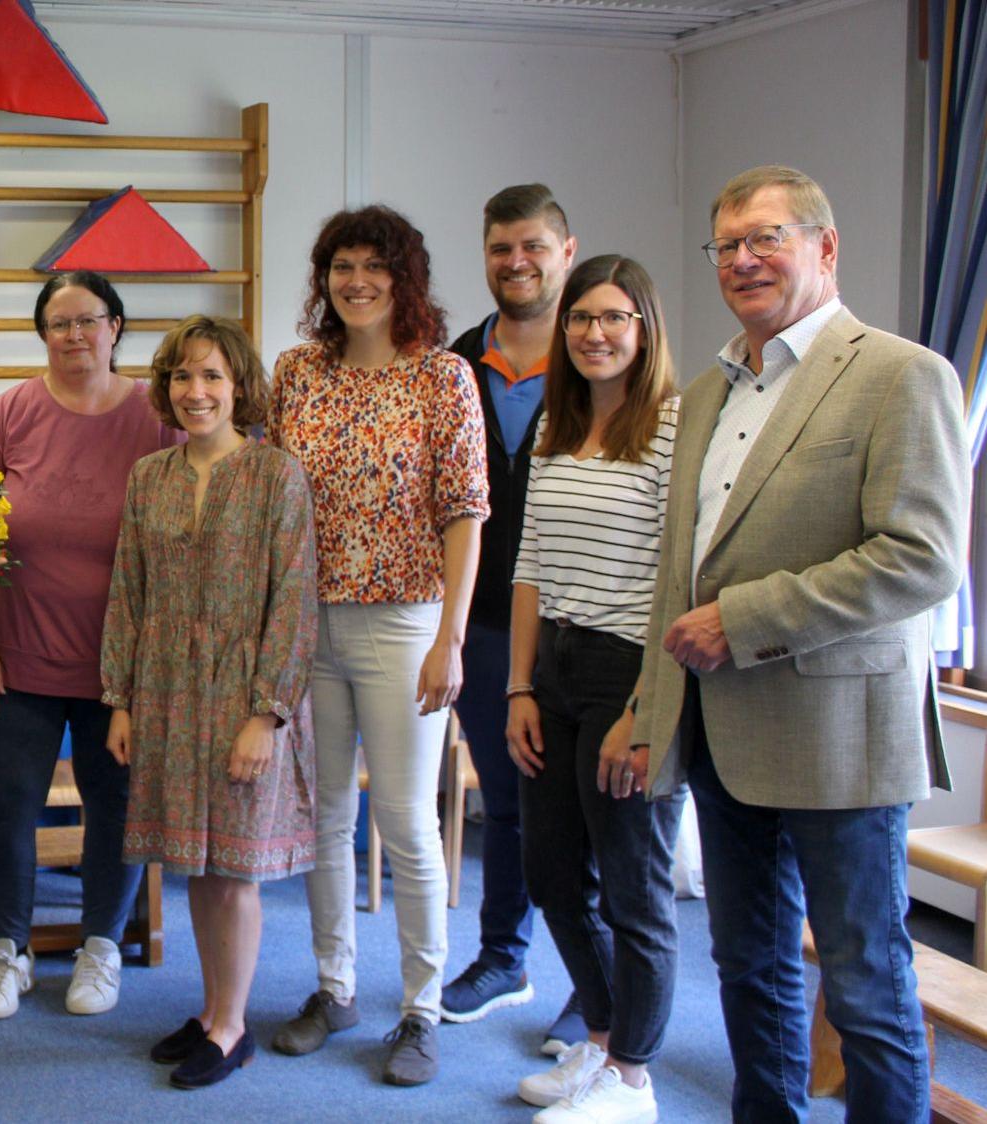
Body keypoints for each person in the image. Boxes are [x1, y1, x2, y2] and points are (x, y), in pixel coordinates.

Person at [628, 165, 967, 1123]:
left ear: (824, 247)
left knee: (861, 984)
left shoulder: (903, 375)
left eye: (764, 238)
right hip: (722, 735)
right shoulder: (704, 391)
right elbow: (677, 569)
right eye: (726, 245)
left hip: (840, 738)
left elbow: (920, 557)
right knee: (747, 969)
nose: (742, 260)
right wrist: (653, 713)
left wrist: (745, 620)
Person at [267, 205, 489, 1087]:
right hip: (310, 623)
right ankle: (334, 989)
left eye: (374, 266)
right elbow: (273, 501)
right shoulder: (297, 374)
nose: (356, 281)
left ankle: (419, 1010)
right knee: (322, 819)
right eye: (340, 265)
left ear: (405, 279)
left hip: (406, 623)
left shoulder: (442, 379)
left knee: (403, 822)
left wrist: (451, 639)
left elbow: (464, 513)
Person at [102, 314, 317, 1090]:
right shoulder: (148, 476)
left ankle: (233, 1027)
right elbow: (128, 592)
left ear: (238, 388)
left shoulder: (275, 476)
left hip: (241, 695)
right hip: (164, 688)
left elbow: (292, 603)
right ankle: (208, 1009)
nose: (196, 392)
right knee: (194, 864)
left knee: (234, 870)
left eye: (212, 377)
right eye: (183, 377)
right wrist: (120, 698)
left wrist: (266, 713)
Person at [0, 271, 177, 1021]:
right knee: (8, 803)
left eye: (87, 321)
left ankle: (100, 946)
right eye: (57, 324)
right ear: (42, 335)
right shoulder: (10, 412)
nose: (73, 336)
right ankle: (9, 951)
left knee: (115, 806)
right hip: (18, 658)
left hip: (117, 669)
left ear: (115, 327)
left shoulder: (158, 415)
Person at [503, 255, 682, 1124]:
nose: (594, 334)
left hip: (630, 671)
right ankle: (605, 1039)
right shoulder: (555, 425)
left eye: (613, 318)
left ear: (643, 328)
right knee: (550, 876)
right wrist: (516, 689)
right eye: (580, 319)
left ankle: (634, 1077)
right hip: (556, 671)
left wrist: (646, 712)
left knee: (632, 888)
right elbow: (530, 561)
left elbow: (677, 578)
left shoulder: (674, 427)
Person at [442, 185, 586, 1053]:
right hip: (488, 623)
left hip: (585, 624)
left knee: (580, 807)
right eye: (501, 249)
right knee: (506, 799)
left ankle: (592, 982)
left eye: (533, 246)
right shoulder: (456, 362)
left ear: (566, 251)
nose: (516, 263)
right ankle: (504, 957)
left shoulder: (605, 352)